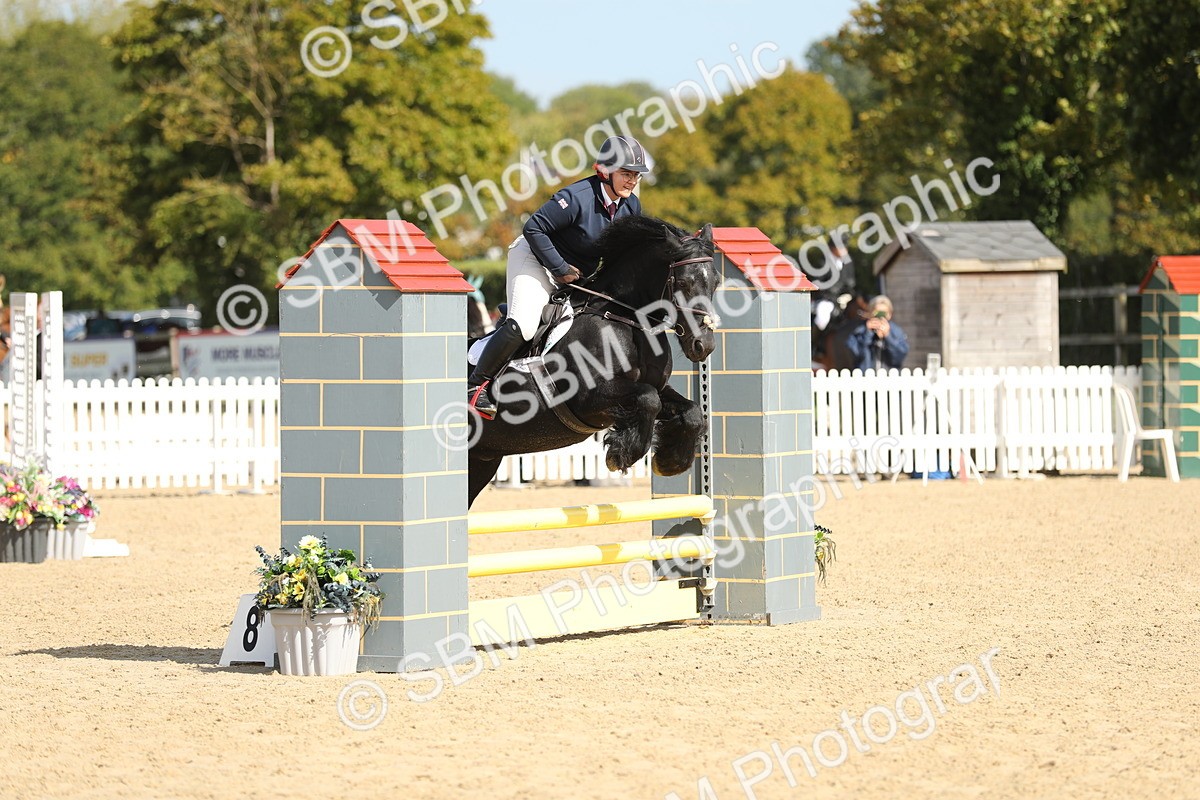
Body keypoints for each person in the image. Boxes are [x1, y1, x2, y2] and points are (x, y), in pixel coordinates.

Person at [467, 135, 650, 417]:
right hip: (535, 258)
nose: (632, 181)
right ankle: (475, 386)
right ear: (605, 171)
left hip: (576, 273)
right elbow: (533, 228)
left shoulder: (631, 206)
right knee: (525, 325)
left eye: (636, 175)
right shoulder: (576, 198)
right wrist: (560, 268)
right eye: (626, 173)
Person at [845, 294, 909, 371]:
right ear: (870, 313)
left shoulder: (897, 332)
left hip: (889, 376)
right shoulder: (859, 332)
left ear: (889, 315)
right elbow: (855, 355)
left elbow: (899, 357)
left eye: (883, 314)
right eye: (877, 313)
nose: (880, 318)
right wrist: (867, 334)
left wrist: (888, 336)